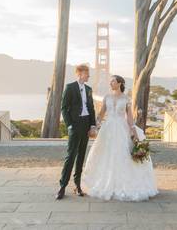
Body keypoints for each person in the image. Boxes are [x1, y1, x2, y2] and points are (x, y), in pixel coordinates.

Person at [81, 75, 158, 201]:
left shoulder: (126, 98)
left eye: (113, 81)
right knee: (106, 154)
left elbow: (129, 117)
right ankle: (105, 182)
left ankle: (123, 184)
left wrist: (134, 132)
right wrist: (95, 125)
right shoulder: (107, 97)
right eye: (110, 81)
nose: (110, 83)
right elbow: (101, 113)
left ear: (119, 83)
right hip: (108, 128)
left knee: (123, 154)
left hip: (122, 129)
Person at [56, 63, 97, 200]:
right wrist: (70, 126)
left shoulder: (89, 89)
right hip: (75, 125)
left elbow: (91, 108)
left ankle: (78, 186)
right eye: (87, 73)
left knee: (81, 157)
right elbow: (64, 108)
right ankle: (62, 187)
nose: (89, 75)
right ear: (79, 73)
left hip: (86, 124)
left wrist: (92, 125)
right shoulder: (70, 87)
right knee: (71, 156)